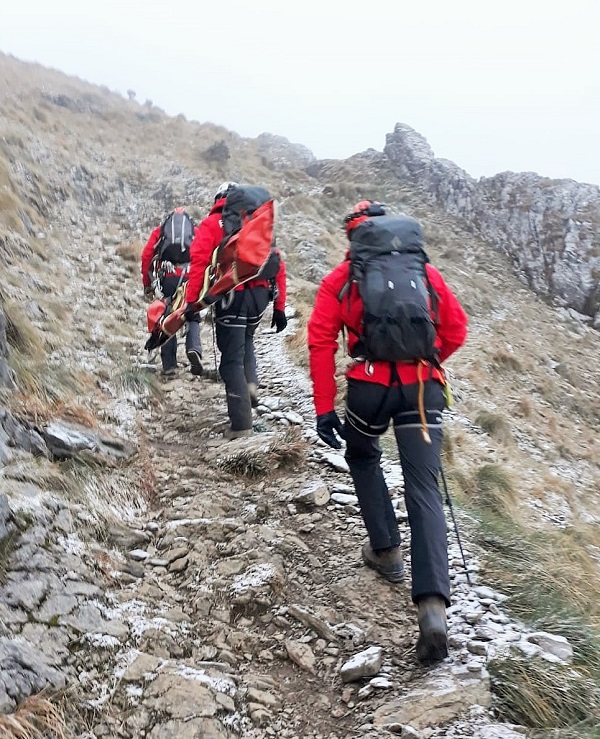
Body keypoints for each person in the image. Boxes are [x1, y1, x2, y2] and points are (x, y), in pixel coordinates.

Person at [307, 201, 468, 664]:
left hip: (370, 389)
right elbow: (456, 329)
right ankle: (433, 606)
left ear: (353, 238)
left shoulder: (341, 280)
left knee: (361, 454)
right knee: (423, 490)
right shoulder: (425, 274)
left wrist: (323, 409)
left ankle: (386, 550)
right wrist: (426, 360)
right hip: (423, 389)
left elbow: (319, 341)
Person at [185, 182, 288, 439]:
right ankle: (250, 385)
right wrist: (280, 307)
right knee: (247, 340)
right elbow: (278, 262)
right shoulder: (257, 221)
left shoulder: (211, 225)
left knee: (230, 359)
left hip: (232, 296)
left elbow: (198, 265)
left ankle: (241, 426)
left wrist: (191, 304)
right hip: (262, 296)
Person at [141, 207, 203, 377]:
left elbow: (146, 256)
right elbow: (205, 253)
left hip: (167, 277)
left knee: (167, 316)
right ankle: (194, 349)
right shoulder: (195, 231)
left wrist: (147, 284)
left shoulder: (160, 231)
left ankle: (169, 365)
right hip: (190, 277)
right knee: (192, 312)